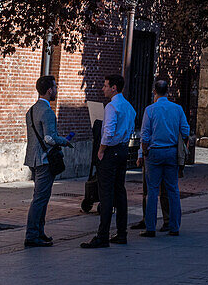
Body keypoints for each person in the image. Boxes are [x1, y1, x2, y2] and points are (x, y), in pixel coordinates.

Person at [81, 74, 136, 249]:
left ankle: (102, 235)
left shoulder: (112, 106)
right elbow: (130, 129)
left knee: (105, 193)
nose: (103, 88)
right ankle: (121, 233)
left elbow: (109, 132)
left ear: (114, 88)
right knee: (120, 191)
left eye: (105, 86)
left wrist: (101, 150)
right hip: (123, 150)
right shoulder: (128, 107)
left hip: (111, 151)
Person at [24, 75, 74, 248]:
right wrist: (65, 141)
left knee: (41, 197)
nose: (56, 90)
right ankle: (32, 235)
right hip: (45, 160)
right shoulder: (47, 111)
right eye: (55, 87)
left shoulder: (31, 110)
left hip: (32, 158)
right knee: (40, 198)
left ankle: (39, 232)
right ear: (49, 90)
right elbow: (49, 138)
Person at [140, 79, 190, 237]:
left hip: (154, 152)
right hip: (171, 152)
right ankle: (174, 226)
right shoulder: (177, 109)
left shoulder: (150, 110)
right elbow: (186, 131)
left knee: (152, 190)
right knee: (173, 190)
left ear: (155, 91)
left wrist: (144, 152)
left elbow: (145, 135)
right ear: (168, 91)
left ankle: (150, 227)